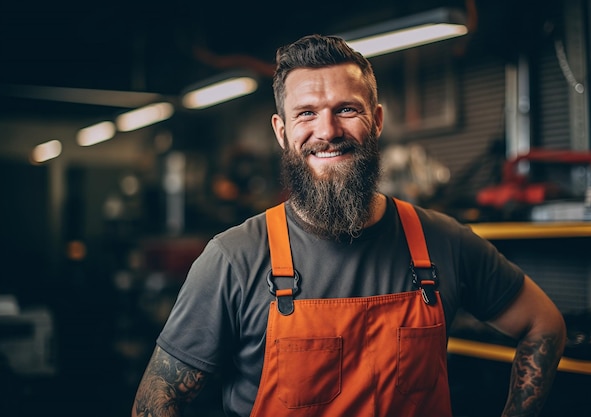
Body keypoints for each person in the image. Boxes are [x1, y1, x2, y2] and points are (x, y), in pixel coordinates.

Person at [131, 34, 566, 417]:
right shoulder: (234, 258)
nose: (328, 130)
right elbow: (155, 400)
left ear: (376, 120)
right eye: (306, 113)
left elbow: (543, 324)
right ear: (281, 132)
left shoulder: (443, 241)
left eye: (346, 109)